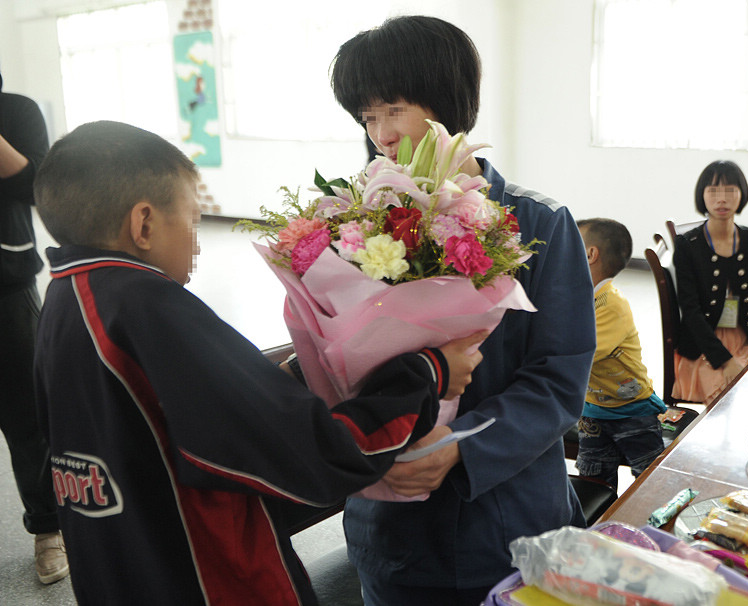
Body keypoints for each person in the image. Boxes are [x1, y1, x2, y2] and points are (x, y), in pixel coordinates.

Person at [32, 120, 485, 606]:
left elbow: (171, 425)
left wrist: (290, 374)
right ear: (143, 223)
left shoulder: (64, 303)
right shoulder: (150, 308)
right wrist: (427, 373)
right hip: (210, 579)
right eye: (192, 220)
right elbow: (317, 457)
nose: (198, 241)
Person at [330, 15, 596, 605]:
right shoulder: (352, 229)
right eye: (367, 117)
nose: (380, 133)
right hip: (393, 528)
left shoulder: (539, 225)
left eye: (392, 109)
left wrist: (462, 444)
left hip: (508, 526)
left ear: (445, 103)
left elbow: (559, 380)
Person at [0, 67, 69, 584]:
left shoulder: (16, 110)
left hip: (6, 286)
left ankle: (49, 528)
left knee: (27, 418)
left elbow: (35, 187)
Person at [672, 160, 748, 405]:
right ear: (702, 196)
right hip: (703, 345)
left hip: (745, 338)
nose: (722, 199)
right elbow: (691, 311)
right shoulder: (688, 245)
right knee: (727, 396)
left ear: (742, 195)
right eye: (714, 191)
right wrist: (725, 361)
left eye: (730, 191)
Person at [576, 218, 666, 490]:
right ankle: (599, 524)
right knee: (593, 477)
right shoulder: (580, 296)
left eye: (570, 246)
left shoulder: (611, 303)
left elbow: (582, 351)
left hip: (631, 411)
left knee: (649, 481)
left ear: (591, 254)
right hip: (593, 411)